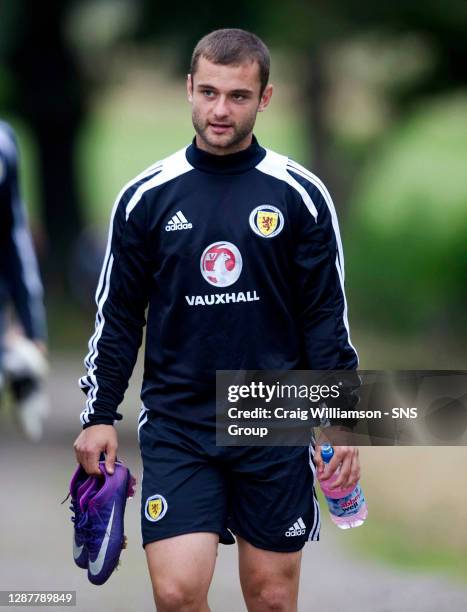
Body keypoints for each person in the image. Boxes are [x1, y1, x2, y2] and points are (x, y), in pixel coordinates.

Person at [74, 28, 361, 611]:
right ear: (188, 89)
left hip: (271, 414)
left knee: (272, 598)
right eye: (207, 93)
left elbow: (325, 318)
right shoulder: (145, 198)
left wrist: (340, 422)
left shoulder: (299, 195)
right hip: (179, 419)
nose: (219, 110)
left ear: (266, 97)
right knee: (177, 593)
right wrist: (100, 414)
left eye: (237, 96)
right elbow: (120, 316)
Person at [0, 120, 48, 441]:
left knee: (235, 436)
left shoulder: (4, 143)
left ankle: (19, 366)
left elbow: (14, 237)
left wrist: (33, 328)